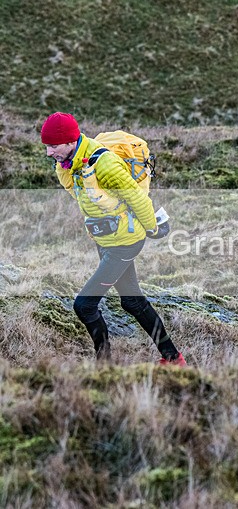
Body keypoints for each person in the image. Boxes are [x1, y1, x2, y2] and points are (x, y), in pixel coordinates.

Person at [42, 112, 186, 366]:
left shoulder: (105, 164)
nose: (48, 152)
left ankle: (104, 365)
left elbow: (137, 198)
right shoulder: (68, 164)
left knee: (84, 306)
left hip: (125, 243)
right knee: (132, 301)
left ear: (70, 141)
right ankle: (174, 358)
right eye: (46, 146)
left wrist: (152, 227)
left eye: (53, 146)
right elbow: (80, 195)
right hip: (107, 238)